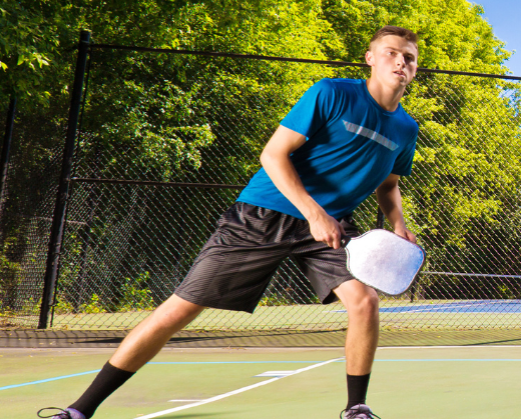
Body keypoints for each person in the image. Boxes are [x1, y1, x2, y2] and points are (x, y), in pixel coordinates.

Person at [42, 26, 423, 420]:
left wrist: (398, 222)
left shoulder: (406, 128)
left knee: (364, 302)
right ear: (370, 58)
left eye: (409, 58)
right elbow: (273, 155)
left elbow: (389, 182)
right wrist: (313, 212)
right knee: (180, 311)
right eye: (392, 52)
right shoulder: (332, 93)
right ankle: (78, 411)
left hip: (331, 228)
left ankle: (356, 409)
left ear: (415, 69)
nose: (400, 61)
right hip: (263, 215)